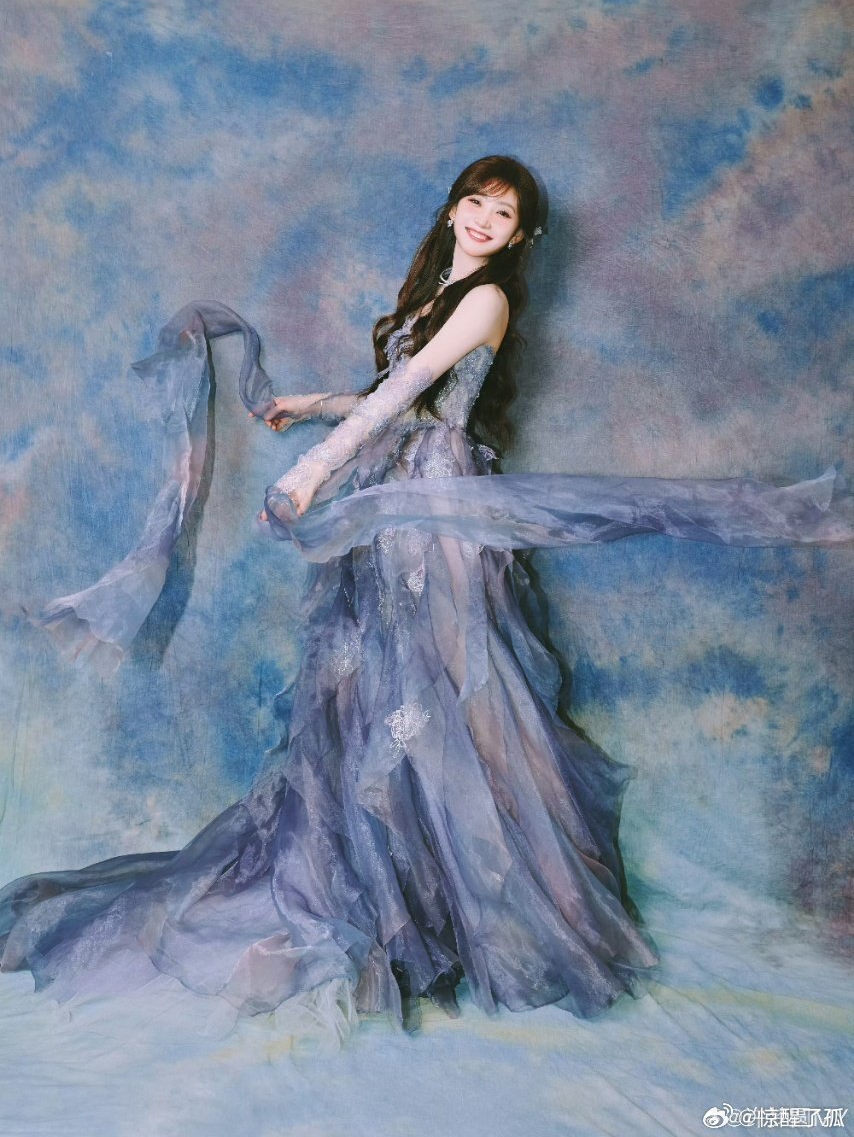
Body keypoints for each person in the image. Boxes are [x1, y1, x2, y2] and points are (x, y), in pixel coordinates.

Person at [1, 155, 851, 1046]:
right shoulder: (437, 295)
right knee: (378, 690)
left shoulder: (487, 301)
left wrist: (306, 476)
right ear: (452, 211)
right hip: (395, 496)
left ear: (520, 236)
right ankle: (397, 890)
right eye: (475, 202)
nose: (484, 218)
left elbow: (410, 398)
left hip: (432, 508)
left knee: (445, 692)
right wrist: (312, 404)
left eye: (503, 213)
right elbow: (396, 399)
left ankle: (484, 909)